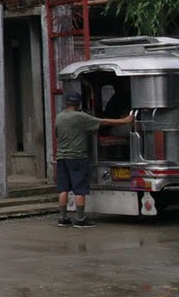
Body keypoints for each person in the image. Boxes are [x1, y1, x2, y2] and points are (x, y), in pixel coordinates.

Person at [55, 91, 134, 228]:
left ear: (66, 102)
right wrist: (125, 121)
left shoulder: (59, 117)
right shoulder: (81, 117)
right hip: (77, 158)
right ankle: (80, 219)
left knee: (63, 188)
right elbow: (103, 122)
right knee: (79, 189)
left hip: (61, 158)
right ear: (79, 103)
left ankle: (63, 218)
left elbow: (57, 134)